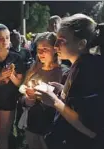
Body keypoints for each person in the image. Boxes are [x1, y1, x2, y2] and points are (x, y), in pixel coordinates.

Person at [34, 14, 104, 149]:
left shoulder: (88, 69)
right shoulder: (81, 65)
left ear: (81, 44)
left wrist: (54, 101)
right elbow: (78, 102)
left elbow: (90, 128)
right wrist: (63, 90)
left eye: (62, 40)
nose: (55, 46)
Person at [18, 32, 67, 149]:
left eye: (45, 48)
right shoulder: (34, 69)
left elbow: (65, 101)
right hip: (32, 123)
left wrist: (42, 97)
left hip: (50, 127)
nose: (40, 52)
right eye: (39, 48)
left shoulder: (63, 72)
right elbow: (22, 91)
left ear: (55, 49)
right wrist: (26, 100)